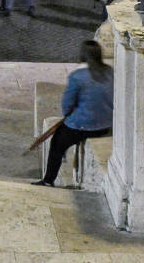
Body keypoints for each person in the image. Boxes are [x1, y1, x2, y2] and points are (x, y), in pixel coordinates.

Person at [35, 40, 114, 186]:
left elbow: (67, 104)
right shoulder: (110, 72)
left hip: (83, 126)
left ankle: (48, 180)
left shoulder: (77, 76)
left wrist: (68, 115)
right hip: (106, 125)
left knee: (57, 142)